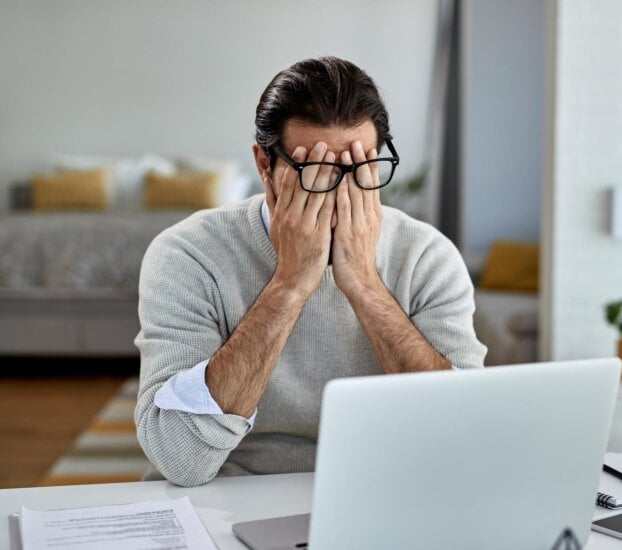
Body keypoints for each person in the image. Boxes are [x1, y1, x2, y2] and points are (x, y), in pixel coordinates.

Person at [134, 57, 486, 487]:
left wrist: (364, 284)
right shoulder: (187, 254)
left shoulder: (426, 255)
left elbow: (465, 436)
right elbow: (181, 459)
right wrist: (290, 283)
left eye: (360, 168)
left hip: (383, 489)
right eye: (316, 172)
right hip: (228, 494)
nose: (341, 192)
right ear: (265, 165)